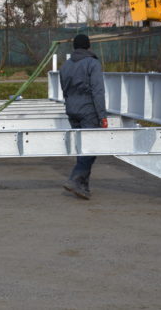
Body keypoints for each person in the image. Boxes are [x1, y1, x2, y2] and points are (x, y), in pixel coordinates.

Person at [59, 34, 107, 200]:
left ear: (74, 47)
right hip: (88, 110)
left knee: (82, 147)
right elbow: (98, 91)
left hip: (71, 109)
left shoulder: (65, 65)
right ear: (88, 47)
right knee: (91, 146)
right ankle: (75, 179)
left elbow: (64, 90)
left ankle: (83, 187)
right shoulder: (92, 63)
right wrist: (102, 115)